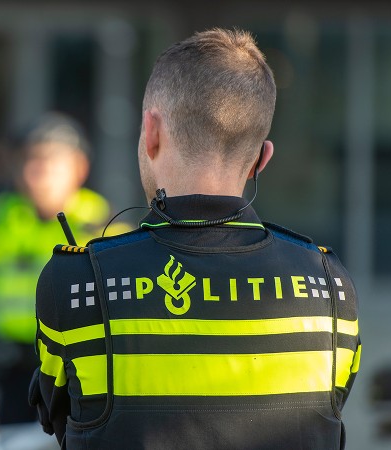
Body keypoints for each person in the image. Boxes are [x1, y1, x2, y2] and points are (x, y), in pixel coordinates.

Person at [29, 28, 361, 449]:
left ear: (151, 132)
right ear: (262, 159)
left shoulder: (77, 283)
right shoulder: (331, 287)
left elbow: (57, 416)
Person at [0, 113, 123, 425]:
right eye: (27, 162)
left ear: (79, 167)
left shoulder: (104, 223)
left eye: (48, 163)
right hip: (12, 364)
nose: (36, 174)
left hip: (80, 368)